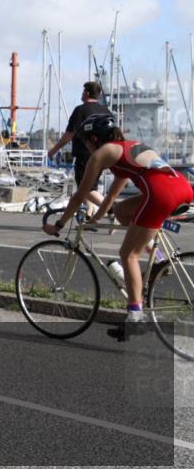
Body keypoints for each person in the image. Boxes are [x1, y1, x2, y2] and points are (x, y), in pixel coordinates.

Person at [43, 113, 194, 339]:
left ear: (93, 138)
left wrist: (59, 224)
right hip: (182, 188)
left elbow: (79, 195)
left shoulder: (103, 153)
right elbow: (113, 196)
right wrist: (97, 219)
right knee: (123, 212)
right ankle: (159, 255)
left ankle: (135, 317)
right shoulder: (128, 147)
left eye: (85, 142)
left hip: (160, 195)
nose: (86, 147)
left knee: (128, 254)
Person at [47, 81, 113, 215]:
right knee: (88, 185)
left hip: (85, 154)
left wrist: (53, 150)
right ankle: (89, 212)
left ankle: (113, 210)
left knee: (86, 188)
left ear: (87, 93)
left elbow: (69, 135)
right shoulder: (106, 111)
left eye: (83, 92)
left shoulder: (80, 110)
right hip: (104, 153)